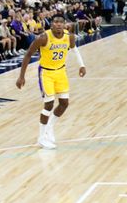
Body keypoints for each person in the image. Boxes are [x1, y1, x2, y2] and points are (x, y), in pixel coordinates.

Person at [15, 14, 87, 149]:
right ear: (52, 24)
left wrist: (81, 65)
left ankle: (49, 127)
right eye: (55, 22)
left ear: (64, 24)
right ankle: (41, 138)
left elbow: (74, 49)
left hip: (61, 71)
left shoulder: (69, 36)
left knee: (64, 103)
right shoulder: (43, 37)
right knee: (48, 104)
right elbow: (28, 54)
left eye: (61, 22)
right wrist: (21, 76)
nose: (58, 24)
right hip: (46, 73)